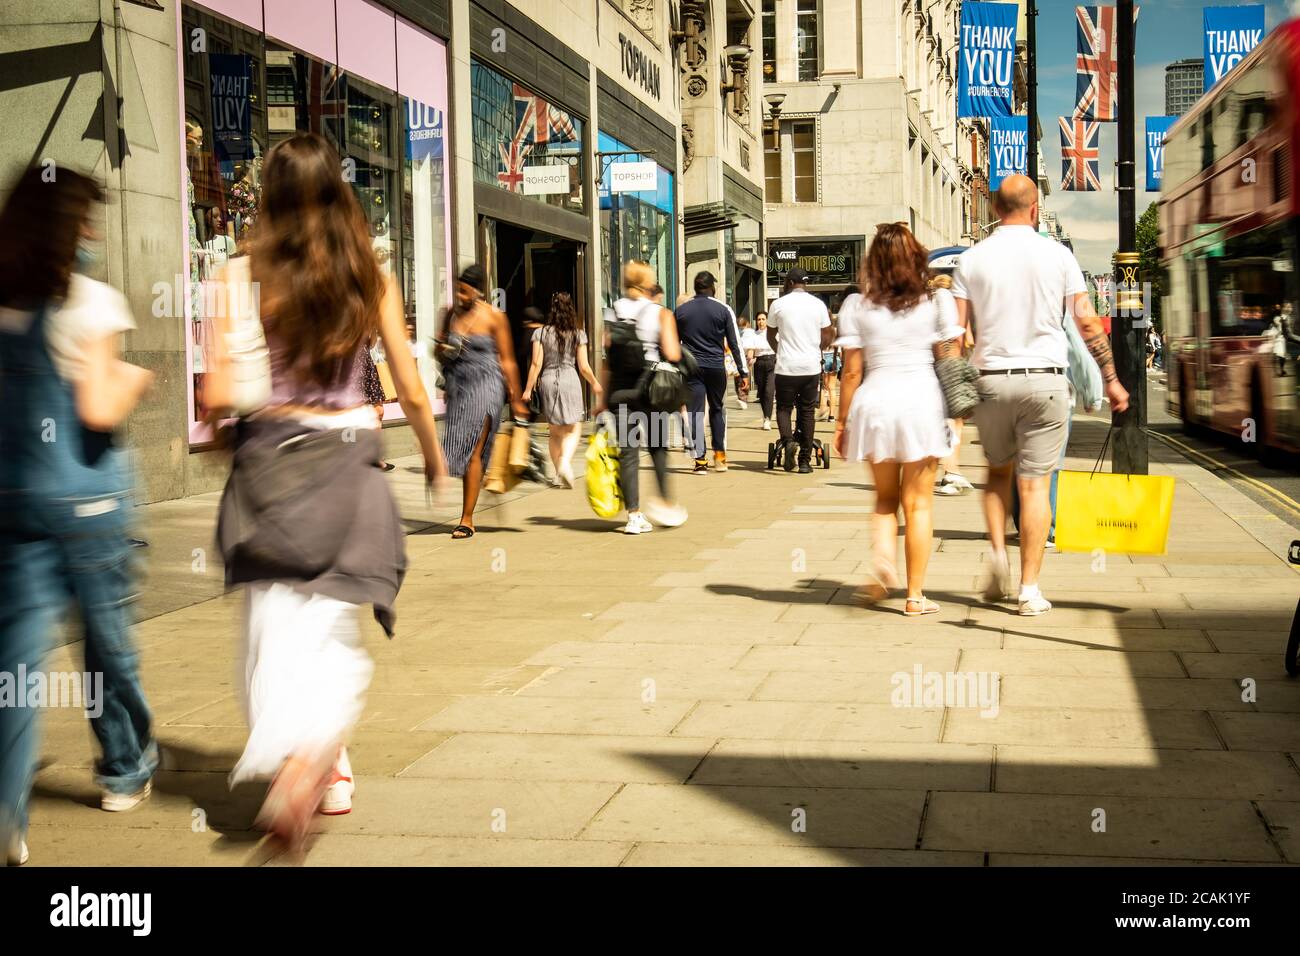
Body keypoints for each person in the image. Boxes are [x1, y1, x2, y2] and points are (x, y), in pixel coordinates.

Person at [205, 132, 447, 844]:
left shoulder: (239, 275)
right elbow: (410, 384)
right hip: (348, 456)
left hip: (271, 455)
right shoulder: (367, 273)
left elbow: (220, 392)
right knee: (330, 618)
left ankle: (301, 756)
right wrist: (433, 456)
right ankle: (323, 760)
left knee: (273, 623)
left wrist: (230, 439)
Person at [0, 167, 157, 867]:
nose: (92, 234)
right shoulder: (91, 301)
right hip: (89, 501)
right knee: (108, 646)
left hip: (16, 504)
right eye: (87, 221)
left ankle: (7, 810)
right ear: (72, 227)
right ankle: (125, 768)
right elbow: (98, 408)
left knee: (16, 666)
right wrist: (136, 378)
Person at [951, 174, 1128, 616]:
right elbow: (1087, 322)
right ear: (1034, 210)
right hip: (1045, 381)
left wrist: (951, 394)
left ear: (994, 210)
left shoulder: (971, 260)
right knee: (1034, 488)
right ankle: (1029, 590)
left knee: (996, 476)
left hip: (990, 379)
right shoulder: (1058, 255)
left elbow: (955, 335)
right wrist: (1110, 378)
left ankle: (996, 554)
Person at [833, 224, 963, 616]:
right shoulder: (937, 301)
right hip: (921, 401)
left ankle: (885, 561)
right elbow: (949, 355)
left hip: (874, 404)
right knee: (919, 504)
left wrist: (841, 425)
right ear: (916, 257)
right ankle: (915, 596)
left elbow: (852, 372)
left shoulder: (857, 305)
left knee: (885, 499)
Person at [435, 264, 528, 539]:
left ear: (477, 291)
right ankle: (479, 486)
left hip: (487, 383)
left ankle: (466, 518)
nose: (460, 296)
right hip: (459, 386)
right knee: (460, 449)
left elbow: (508, 359)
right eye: (458, 290)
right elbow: (440, 350)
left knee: (475, 448)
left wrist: (517, 396)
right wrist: (441, 350)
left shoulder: (494, 317)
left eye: (465, 291)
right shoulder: (450, 315)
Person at [599, 261, 688, 533]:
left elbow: (606, 358)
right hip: (651, 388)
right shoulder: (660, 312)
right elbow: (673, 353)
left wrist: (602, 399)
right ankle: (664, 503)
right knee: (658, 448)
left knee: (628, 452)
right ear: (649, 282)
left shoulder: (613, 310)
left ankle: (634, 516)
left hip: (619, 388)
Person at [522, 291, 602, 487]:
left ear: (552, 309)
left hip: (548, 380)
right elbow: (583, 366)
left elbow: (535, 364)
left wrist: (527, 389)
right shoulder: (578, 334)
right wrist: (594, 382)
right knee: (574, 427)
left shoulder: (540, 333)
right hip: (570, 380)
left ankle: (559, 473)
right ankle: (565, 462)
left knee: (555, 431)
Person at [675, 271, 748, 474]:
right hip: (715, 367)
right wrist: (744, 372)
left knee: (695, 413)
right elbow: (735, 343)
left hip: (691, 368)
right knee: (717, 409)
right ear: (712, 288)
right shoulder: (723, 309)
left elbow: (672, 343)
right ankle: (720, 457)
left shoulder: (681, 311)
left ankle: (700, 461)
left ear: (696, 287)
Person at [768, 267, 833, 473]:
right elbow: (827, 334)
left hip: (786, 365)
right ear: (805, 283)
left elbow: (770, 334)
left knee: (784, 408)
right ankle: (805, 460)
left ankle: (788, 442)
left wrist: (780, 350)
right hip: (810, 366)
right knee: (806, 411)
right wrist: (817, 349)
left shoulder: (778, 304)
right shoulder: (818, 305)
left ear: (789, 282)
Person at [930, 274, 976, 497]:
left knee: (954, 419)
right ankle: (950, 471)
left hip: (946, 361)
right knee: (952, 419)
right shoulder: (944, 297)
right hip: (949, 362)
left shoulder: (938, 298)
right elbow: (950, 333)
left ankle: (951, 470)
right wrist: (952, 361)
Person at [744, 310, 777, 430]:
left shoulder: (773, 333)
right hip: (759, 363)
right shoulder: (753, 334)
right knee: (762, 393)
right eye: (759, 319)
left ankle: (767, 419)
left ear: (767, 320)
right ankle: (766, 415)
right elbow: (751, 351)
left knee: (769, 391)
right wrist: (750, 359)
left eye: (763, 319)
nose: (761, 322)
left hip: (772, 362)